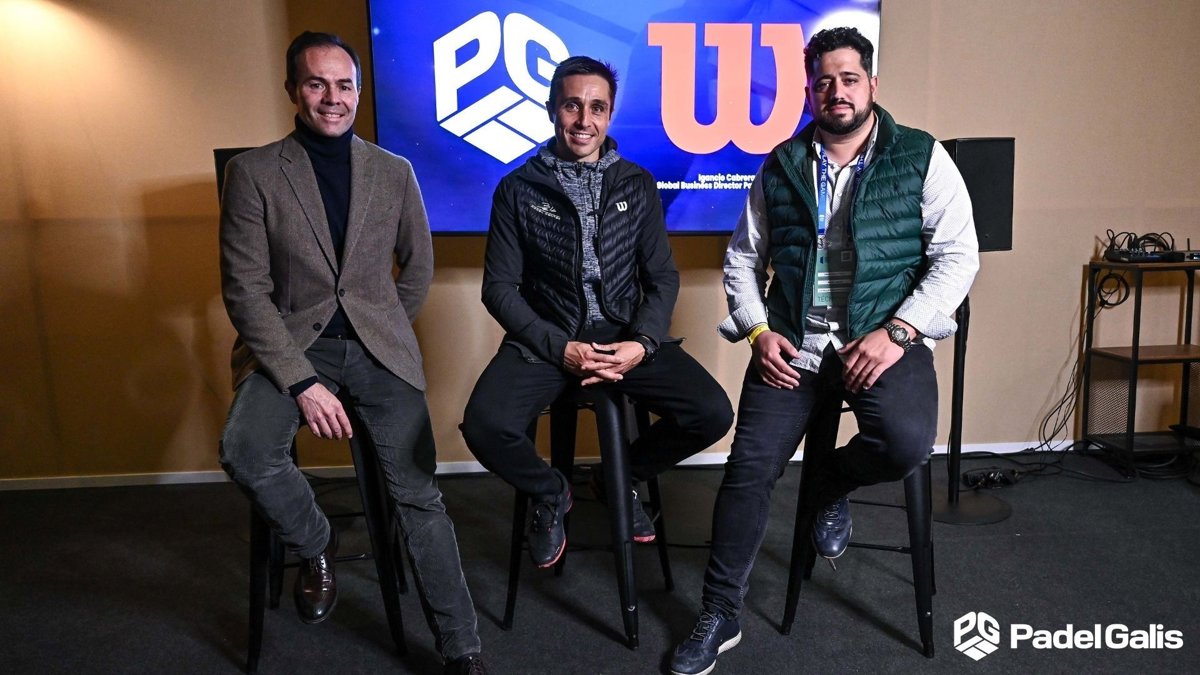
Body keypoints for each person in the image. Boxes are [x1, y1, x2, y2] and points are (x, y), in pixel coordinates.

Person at [669, 27, 979, 675]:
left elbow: (958, 257)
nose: (837, 91)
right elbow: (743, 259)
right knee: (748, 470)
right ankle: (721, 611)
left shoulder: (920, 156)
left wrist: (899, 332)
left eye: (849, 78)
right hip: (794, 348)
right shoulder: (781, 163)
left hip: (881, 341)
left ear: (872, 84)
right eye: (824, 81)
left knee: (905, 442)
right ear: (810, 91)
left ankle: (830, 485)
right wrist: (758, 331)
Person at [218, 31, 487, 675]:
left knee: (419, 496)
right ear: (292, 90)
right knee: (244, 449)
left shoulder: (394, 172)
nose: (332, 98)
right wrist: (300, 381)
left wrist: (383, 327)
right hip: (291, 346)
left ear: (360, 94)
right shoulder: (252, 173)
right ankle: (317, 542)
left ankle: (462, 650)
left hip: (377, 352)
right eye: (317, 83)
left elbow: (418, 267)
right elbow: (246, 291)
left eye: (344, 85)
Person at [460, 56, 733, 569]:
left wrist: (642, 343)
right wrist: (558, 348)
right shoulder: (517, 188)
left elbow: (662, 277)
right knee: (483, 425)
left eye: (597, 107)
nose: (584, 120)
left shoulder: (636, 183)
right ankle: (552, 492)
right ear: (552, 109)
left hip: (624, 334)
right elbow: (498, 289)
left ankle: (617, 478)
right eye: (572, 106)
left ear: (609, 115)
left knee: (712, 413)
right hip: (549, 337)